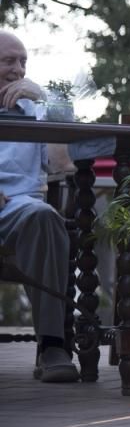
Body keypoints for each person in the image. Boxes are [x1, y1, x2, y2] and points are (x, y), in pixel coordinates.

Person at [0, 30, 80, 383]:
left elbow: (64, 164)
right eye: (8, 61)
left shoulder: (37, 109)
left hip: (20, 210)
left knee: (45, 215)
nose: (18, 70)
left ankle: (52, 345)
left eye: (23, 62)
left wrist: (46, 100)